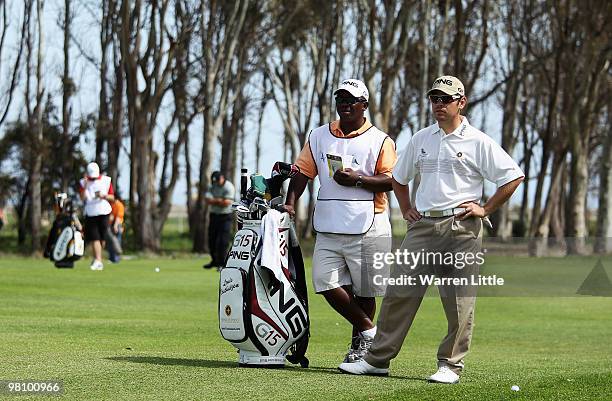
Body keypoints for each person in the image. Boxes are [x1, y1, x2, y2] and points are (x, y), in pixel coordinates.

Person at [339, 75, 524, 383]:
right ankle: (377, 360)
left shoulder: (477, 141)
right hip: (423, 225)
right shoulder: (422, 138)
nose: (439, 104)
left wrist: (486, 209)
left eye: (446, 99)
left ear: (461, 103)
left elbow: (513, 176)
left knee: (458, 301)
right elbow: (399, 177)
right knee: (399, 293)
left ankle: (450, 366)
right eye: (435, 99)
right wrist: (407, 207)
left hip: (462, 227)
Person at [284, 78, 397, 365]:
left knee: (365, 290)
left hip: (370, 224)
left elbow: (392, 180)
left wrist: (358, 179)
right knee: (324, 281)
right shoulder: (319, 135)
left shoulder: (381, 140)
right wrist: (290, 202)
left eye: (351, 101)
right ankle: (371, 332)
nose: (344, 105)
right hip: (330, 223)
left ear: (364, 106)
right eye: (341, 100)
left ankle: (360, 348)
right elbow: (303, 172)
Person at [79, 162, 114, 271]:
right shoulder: (83, 182)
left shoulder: (106, 180)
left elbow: (112, 197)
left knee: (102, 238)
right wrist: (84, 187)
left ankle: (98, 259)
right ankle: (98, 260)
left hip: (104, 212)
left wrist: (103, 196)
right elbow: (82, 198)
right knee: (95, 237)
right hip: (91, 212)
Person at [203, 171, 235, 270]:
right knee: (212, 239)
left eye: (217, 181)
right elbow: (207, 199)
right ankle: (214, 261)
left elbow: (226, 202)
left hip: (225, 217)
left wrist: (215, 200)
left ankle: (222, 263)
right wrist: (219, 200)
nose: (216, 183)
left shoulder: (228, 187)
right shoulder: (212, 186)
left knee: (223, 241)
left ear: (222, 178)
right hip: (214, 216)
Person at [106, 194, 125, 263]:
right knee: (111, 242)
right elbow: (111, 216)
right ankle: (111, 258)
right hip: (112, 225)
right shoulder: (112, 205)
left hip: (118, 225)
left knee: (117, 241)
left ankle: (116, 259)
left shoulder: (119, 205)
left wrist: (115, 226)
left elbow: (119, 217)